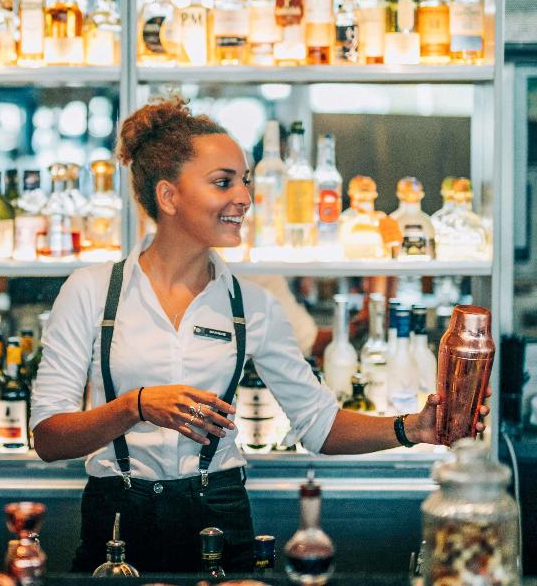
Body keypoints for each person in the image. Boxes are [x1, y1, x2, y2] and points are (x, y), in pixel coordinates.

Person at [29, 96, 490, 574]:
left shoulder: (253, 304)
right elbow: (48, 438)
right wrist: (135, 406)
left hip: (219, 517)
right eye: (223, 182)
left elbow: (319, 424)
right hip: (116, 524)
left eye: (245, 181)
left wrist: (412, 428)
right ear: (168, 196)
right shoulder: (91, 291)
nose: (245, 198)